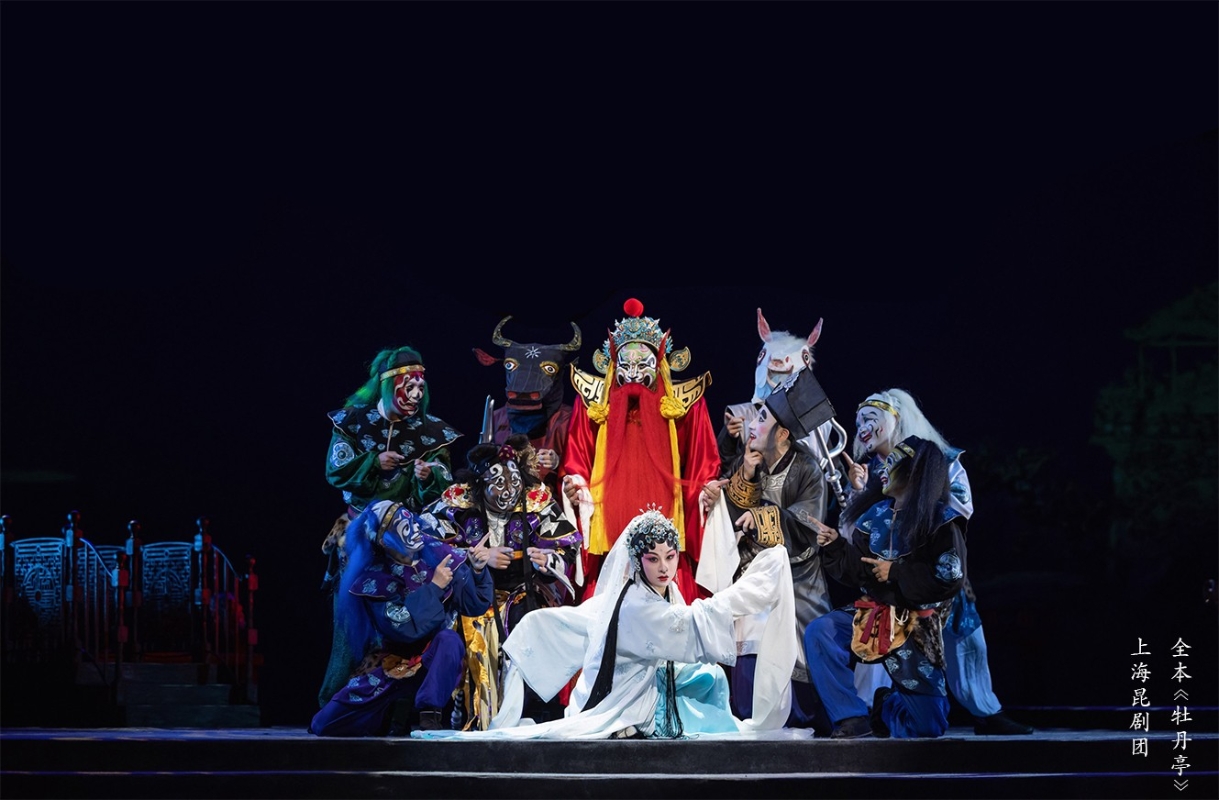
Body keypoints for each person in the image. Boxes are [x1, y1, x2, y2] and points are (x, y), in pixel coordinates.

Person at [412, 506, 798, 740]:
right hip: (631, 700)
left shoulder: (650, 593)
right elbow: (690, 623)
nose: (665, 568)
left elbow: (594, 617)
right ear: (637, 561)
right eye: (653, 559)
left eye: (670, 557)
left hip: (651, 681)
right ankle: (635, 724)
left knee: (711, 677)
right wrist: (751, 590)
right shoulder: (636, 604)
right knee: (718, 716)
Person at [846, 388, 1033, 736]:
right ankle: (879, 708)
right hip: (890, 583)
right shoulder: (871, 475)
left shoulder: (940, 461)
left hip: (933, 570)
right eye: (859, 422)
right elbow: (855, 536)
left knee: (965, 638)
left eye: (871, 418)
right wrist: (858, 492)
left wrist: (913, 502)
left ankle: (985, 710)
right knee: (880, 639)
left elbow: (959, 508)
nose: (863, 428)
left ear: (896, 419)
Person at [317, 345, 464, 707]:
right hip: (360, 537)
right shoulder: (353, 423)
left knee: (403, 621)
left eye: (420, 388)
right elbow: (336, 471)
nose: (415, 395)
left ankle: (398, 708)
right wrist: (374, 462)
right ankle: (337, 701)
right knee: (352, 619)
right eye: (408, 387)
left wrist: (428, 477)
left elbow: (445, 484)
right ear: (388, 386)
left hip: (407, 544)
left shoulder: (431, 432)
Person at [803, 435, 966, 739]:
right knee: (821, 631)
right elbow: (858, 570)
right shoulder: (874, 517)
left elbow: (949, 577)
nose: (883, 469)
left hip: (915, 626)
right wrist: (836, 545)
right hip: (873, 615)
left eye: (892, 463)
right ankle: (851, 717)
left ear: (913, 472)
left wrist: (897, 572)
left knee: (928, 727)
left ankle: (886, 706)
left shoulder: (942, 521)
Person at [561, 298, 721, 604]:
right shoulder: (593, 403)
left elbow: (702, 460)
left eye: (643, 364)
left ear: (659, 364)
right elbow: (577, 457)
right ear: (613, 365)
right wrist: (576, 484)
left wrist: (705, 490)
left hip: (667, 525)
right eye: (626, 364)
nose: (634, 372)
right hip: (609, 528)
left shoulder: (685, 404)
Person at [422, 434, 582, 729]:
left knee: (532, 626)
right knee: (474, 633)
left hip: (523, 591)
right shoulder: (458, 501)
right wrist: (476, 557)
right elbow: (426, 542)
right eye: (498, 483)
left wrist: (547, 561)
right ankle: (473, 713)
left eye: (514, 483)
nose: (508, 492)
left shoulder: (536, 499)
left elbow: (568, 546)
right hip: (472, 593)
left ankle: (531, 711)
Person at [713, 367, 835, 734]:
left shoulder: (808, 469)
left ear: (782, 434)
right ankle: (753, 714)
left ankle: (799, 715)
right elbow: (732, 514)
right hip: (753, 572)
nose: (752, 424)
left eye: (762, 418)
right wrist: (746, 477)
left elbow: (808, 522)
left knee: (802, 642)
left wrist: (762, 516)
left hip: (797, 575)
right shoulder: (750, 459)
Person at [309, 500, 494, 737]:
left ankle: (430, 715)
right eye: (404, 526)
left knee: (449, 640)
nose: (415, 528)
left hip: (433, 657)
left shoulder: (435, 553)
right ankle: (377, 717)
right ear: (385, 540)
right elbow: (403, 627)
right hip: (391, 660)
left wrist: (477, 570)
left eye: (412, 521)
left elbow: (474, 604)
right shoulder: (376, 578)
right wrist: (435, 587)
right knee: (325, 723)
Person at [472, 316, 582, 495]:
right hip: (502, 499)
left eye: (549, 369)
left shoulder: (569, 420)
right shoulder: (496, 417)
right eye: (510, 366)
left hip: (549, 501)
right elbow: (479, 466)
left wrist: (559, 462)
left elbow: (586, 464)